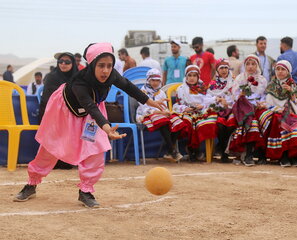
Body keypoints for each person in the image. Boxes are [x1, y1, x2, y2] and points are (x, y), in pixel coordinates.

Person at [13, 42, 165, 208]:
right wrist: (107, 127)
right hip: (65, 112)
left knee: (95, 150)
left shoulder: (112, 75)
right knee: (50, 148)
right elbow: (89, 105)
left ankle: (85, 191)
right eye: (101, 66)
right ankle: (31, 184)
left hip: (90, 115)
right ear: (92, 64)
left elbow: (128, 86)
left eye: (109, 65)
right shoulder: (79, 82)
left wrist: (150, 101)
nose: (106, 70)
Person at [263, 60, 297, 167]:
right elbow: (267, 104)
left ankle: (294, 156)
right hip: (276, 113)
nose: (280, 72)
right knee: (281, 122)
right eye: (278, 69)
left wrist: (291, 92)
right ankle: (284, 156)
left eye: (283, 69)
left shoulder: (292, 85)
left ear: (288, 71)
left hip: (290, 112)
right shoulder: (271, 85)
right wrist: (277, 109)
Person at [136, 68, 186, 162]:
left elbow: (164, 108)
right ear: (148, 80)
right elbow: (146, 109)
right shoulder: (142, 92)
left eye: (157, 80)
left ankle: (169, 151)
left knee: (178, 121)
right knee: (163, 121)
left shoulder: (162, 92)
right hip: (145, 115)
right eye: (153, 80)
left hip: (161, 114)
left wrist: (166, 112)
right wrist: (161, 112)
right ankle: (172, 151)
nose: (155, 83)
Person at [228, 54, 267, 166]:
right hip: (242, 106)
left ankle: (259, 154)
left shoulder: (262, 80)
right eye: (248, 64)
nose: (250, 67)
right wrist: (240, 95)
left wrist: (262, 103)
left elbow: (264, 96)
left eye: (253, 64)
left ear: (257, 65)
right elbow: (234, 95)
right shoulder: (240, 78)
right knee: (252, 121)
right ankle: (247, 155)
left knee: (265, 119)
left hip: (256, 106)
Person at [173, 65, 217, 161]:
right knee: (187, 122)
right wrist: (185, 108)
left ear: (198, 77)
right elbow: (176, 105)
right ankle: (193, 150)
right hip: (187, 112)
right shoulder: (181, 89)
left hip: (201, 112)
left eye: (194, 75)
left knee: (203, 122)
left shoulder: (203, 88)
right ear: (186, 76)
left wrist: (202, 106)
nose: (192, 78)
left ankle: (195, 150)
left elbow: (209, 101)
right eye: (190, 75)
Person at [207, 59, 235, 163]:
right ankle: (223, 152)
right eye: (221, 68)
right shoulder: (213, 84)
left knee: (231, 125)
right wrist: (217, 99)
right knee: (220, 125)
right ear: (217, 70)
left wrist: (227, 103)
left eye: (226, 68)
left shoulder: (234, 82)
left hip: (232, 109)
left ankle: (223, 151)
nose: (224, 70)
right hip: (218, 109)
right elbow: (207, 99)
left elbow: (237, 97)